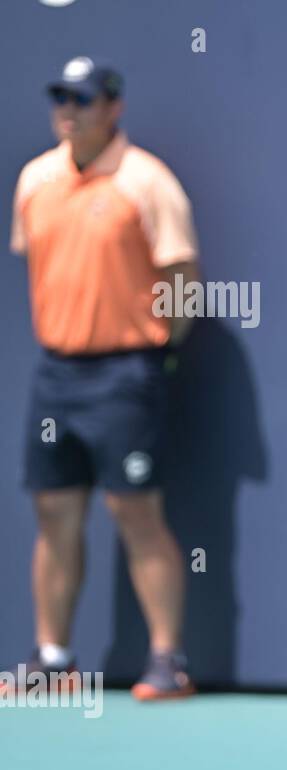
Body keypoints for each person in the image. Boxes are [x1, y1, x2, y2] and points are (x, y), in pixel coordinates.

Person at [4, 56, 201, 700]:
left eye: (83, 100)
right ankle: (53, 658)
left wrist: (154, 352)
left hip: (125, 373)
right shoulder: (35, 178)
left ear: (112, 108)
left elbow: (180, 280)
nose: (69, 109)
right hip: (56, 373)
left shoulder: (147, 182)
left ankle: (167, 661)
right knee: (55, 513)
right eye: (61, 97)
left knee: (135, 513)